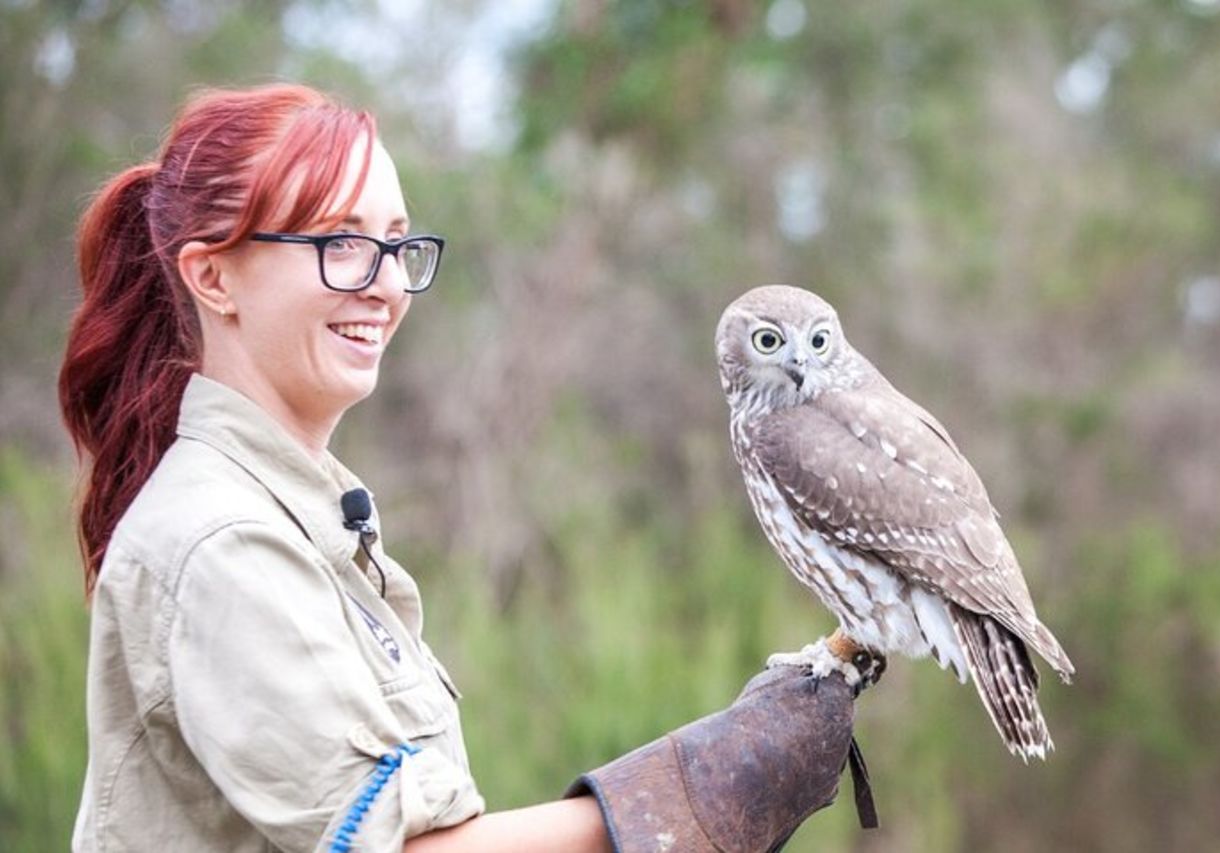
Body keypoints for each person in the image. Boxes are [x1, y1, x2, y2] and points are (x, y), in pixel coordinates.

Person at [60, 83, 868, 853]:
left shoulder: (299, 523)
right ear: (212, 276)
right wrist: (695, 793)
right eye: (341, 242)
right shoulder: (221, 542)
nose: (383, 282)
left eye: (397, 244)